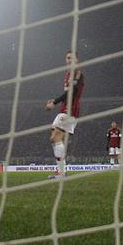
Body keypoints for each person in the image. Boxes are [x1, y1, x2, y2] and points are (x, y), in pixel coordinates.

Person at [45, 51, 84, 180]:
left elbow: (72, 92)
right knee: (53, 138)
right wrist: (55, 101)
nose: (69, 60)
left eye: (71, 58)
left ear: (77, 60)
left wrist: (54, 102)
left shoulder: (77, 73)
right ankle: (61, 171)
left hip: (70, 110)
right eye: (67, 58)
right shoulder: (68, 74)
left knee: (56, 138)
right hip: (64, 108)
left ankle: (62, 173)